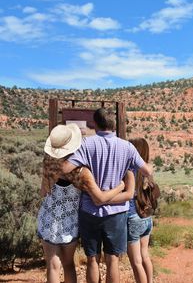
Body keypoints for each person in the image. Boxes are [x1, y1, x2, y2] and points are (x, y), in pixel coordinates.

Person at [62, 108, 153, 283]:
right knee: (113, 261)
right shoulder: (127, 147)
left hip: (89, 211)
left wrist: (83, 173)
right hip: (117, 214)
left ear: (95, 124)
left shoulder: (87, 144)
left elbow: (65, 169)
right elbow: (147, 170)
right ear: (113, 124)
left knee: (92, 260)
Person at [38, 124, 135, 283]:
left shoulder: (48, 162)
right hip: (70, 222)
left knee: (53, 265)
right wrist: (121, 186)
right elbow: (100, 198)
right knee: (69, 264)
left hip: (48, 218)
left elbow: (43, 192)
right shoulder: (82, 172)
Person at [127, 138, 154, 283]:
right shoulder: (147, 171)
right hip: (147, 217)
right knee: (145, 256)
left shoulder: (131, 170)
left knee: (136, 262)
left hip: (133, 217)